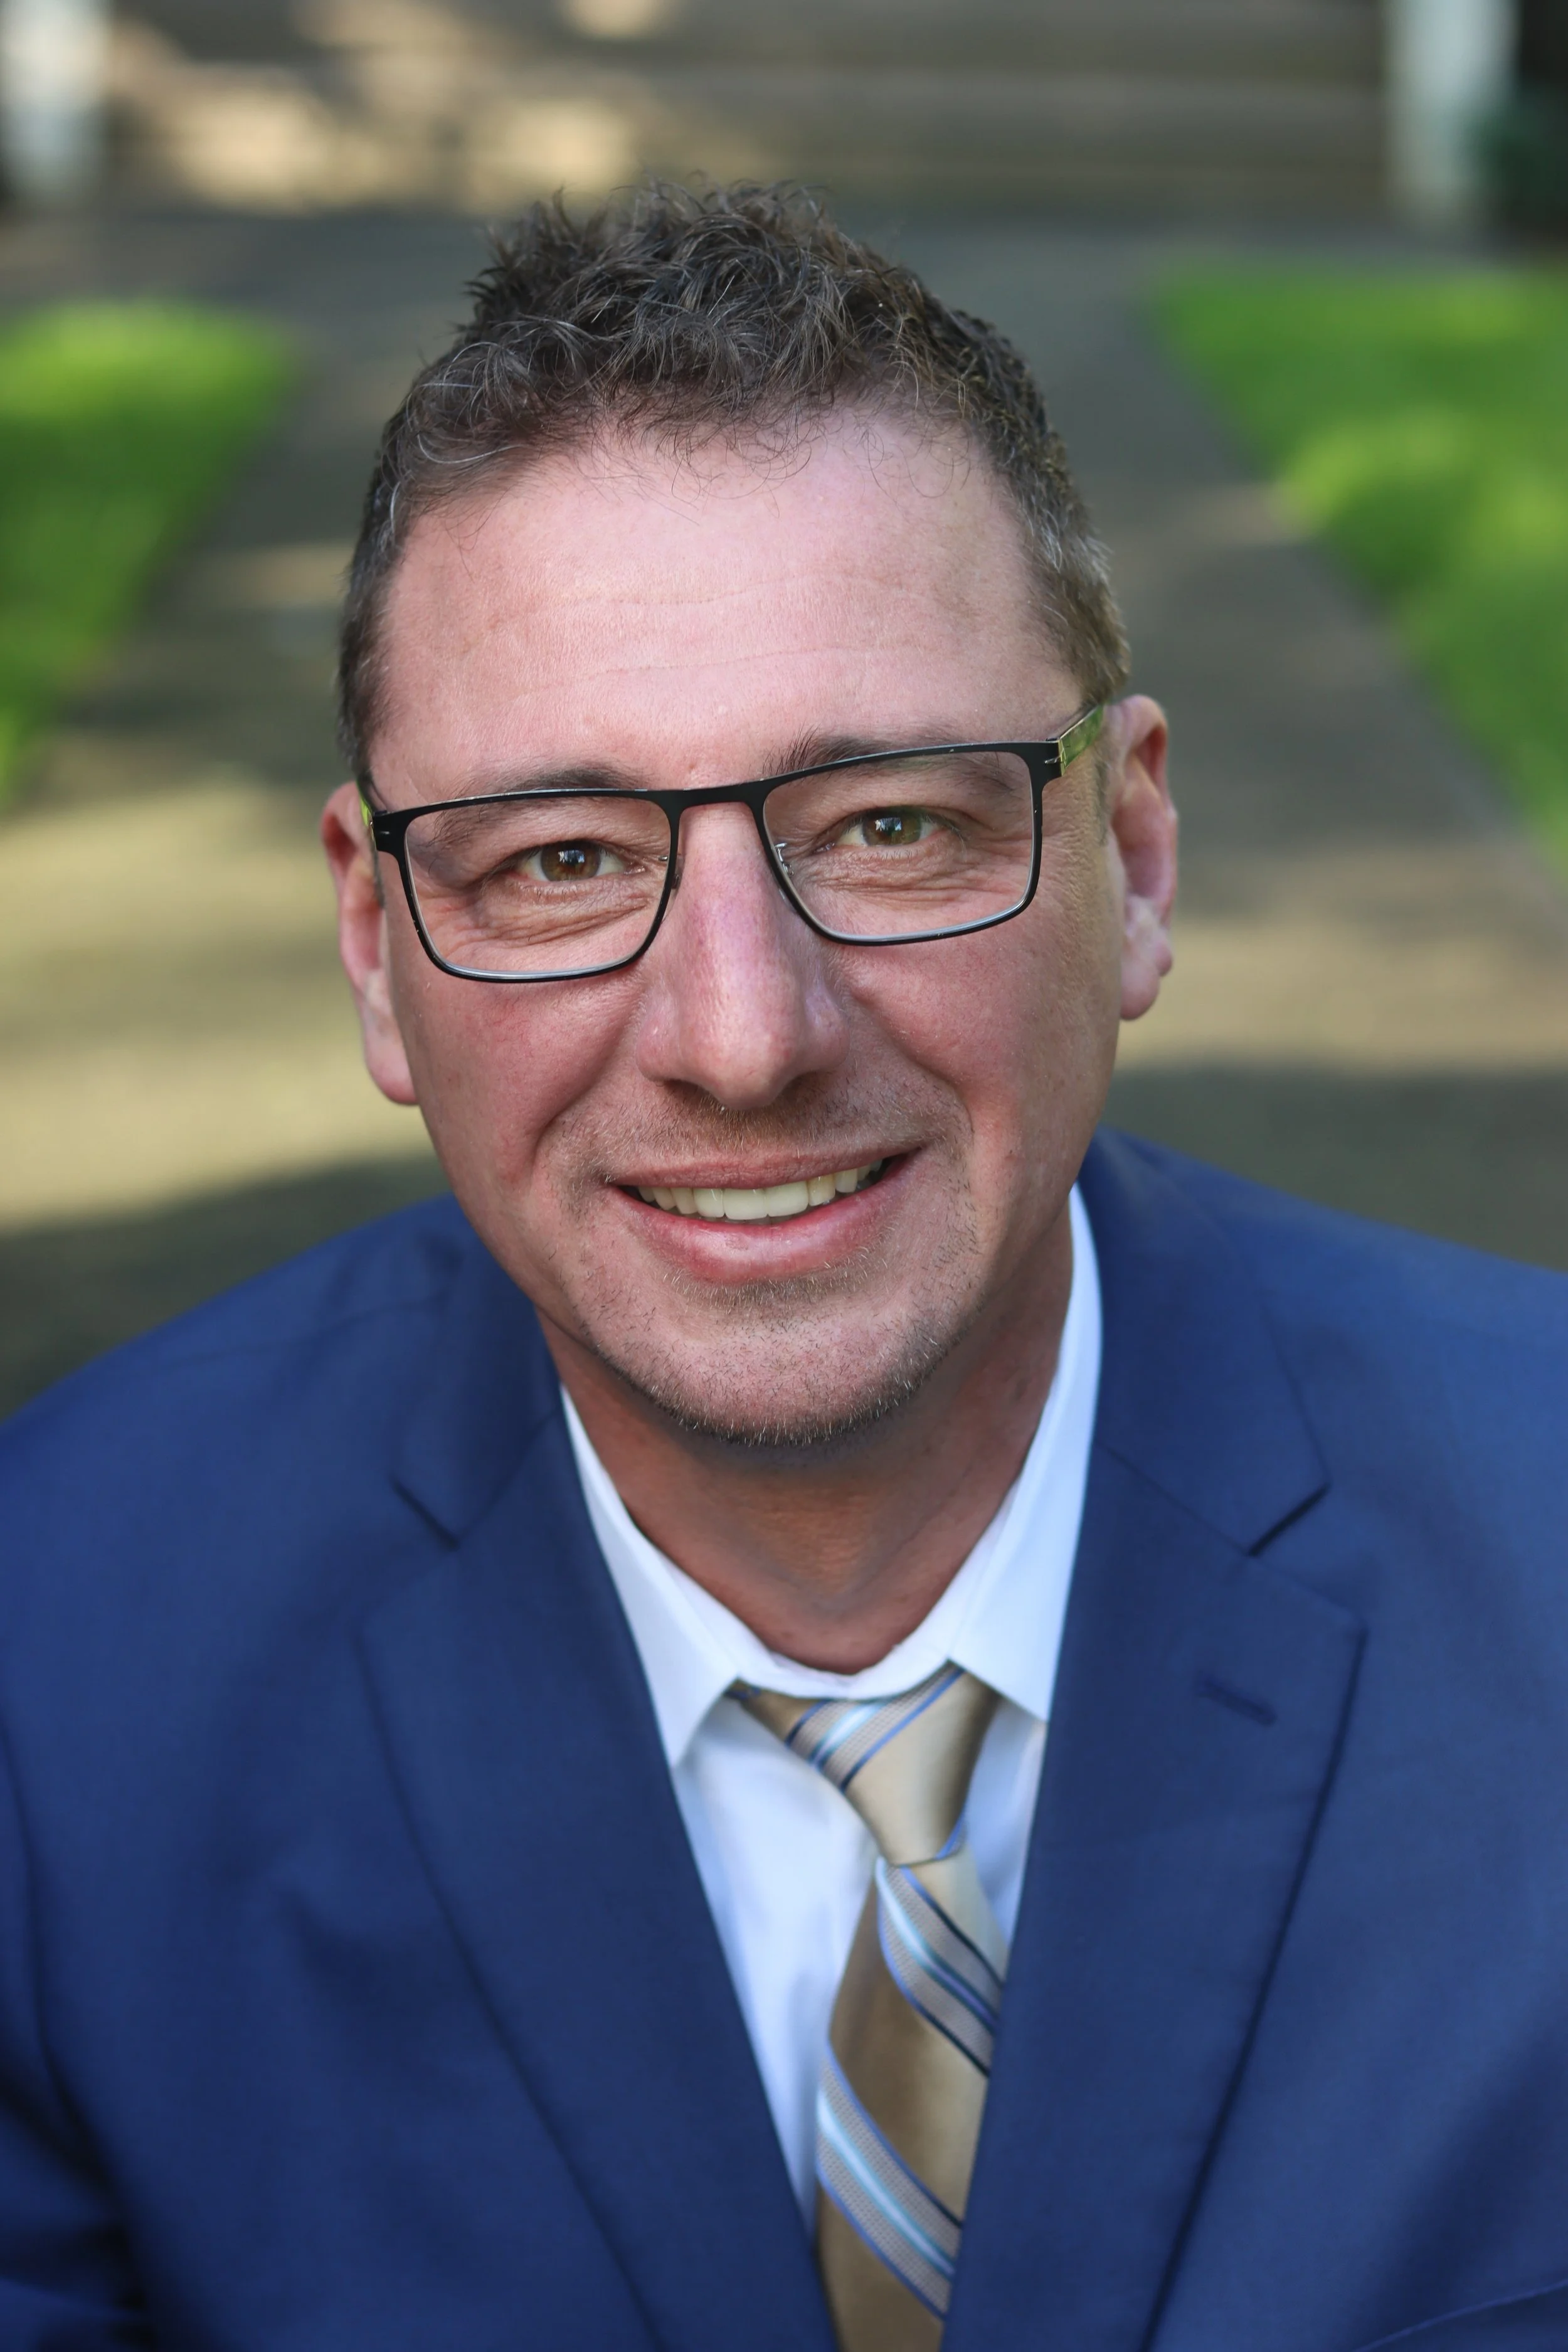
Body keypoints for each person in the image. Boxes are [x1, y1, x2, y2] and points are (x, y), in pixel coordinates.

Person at [1, 183, 1565, 2352]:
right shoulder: (52, 1674)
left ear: (1126, 857)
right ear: (377, 947)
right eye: (559, 858)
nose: (743, 1036)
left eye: (891, 823)